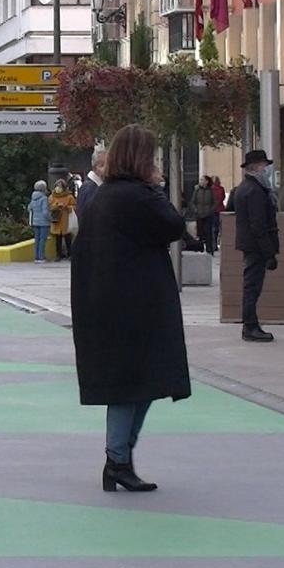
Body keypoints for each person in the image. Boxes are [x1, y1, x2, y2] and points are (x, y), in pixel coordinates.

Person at [71, 125, 189, 493]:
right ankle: (118, 460)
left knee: (135, 384)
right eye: (152, 157)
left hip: (110, 306)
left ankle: (119, 459)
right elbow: (173, 224)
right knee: (133, 385)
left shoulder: (105, 195)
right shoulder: (136, 196)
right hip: (135, 308)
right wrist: (155, 187)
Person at [233, 151, 279, 343]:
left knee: (251, 285)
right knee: (252, 286)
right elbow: (258, 224)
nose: (267, 169)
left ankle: (251, 324)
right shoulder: (254, 191)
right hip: (255, 246)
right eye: (264, 165)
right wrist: (269, 252)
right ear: (255, 167)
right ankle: (250, 325)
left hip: (250, 244)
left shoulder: (245, 188)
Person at [49, 179, 76, 261]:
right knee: (58, 239)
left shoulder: (69, 197)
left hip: (66, 220)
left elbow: (74, 206)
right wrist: (56, 206)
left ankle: (70, 254)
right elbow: (50, 206)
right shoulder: (52, 196)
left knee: (68, 238)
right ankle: (58, 255)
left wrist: (67, 207)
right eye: (57, 186)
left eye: (60, 187)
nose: (58, 188)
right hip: (57, 220)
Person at [76, 151, 107, 219]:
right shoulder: (90, 188)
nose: (107, 168)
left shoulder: (94, 187)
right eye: (102, 165)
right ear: (95, 168)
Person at [190, 176, 217, 254]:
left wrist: (210, 210)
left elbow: (215, 202)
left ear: (207, 181)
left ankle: (209, 250)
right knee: (200, 233)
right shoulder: (197, 190)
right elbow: (192, 202)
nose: (200, 181)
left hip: (208, 215)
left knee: (208, 233)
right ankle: (200, 249)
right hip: (199, 214)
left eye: (202, 180)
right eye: (200, 180)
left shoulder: (211, 190)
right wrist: (195, 210)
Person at [28, 180, 51, 263]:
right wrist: (50, 219)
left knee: (37, 239)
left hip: (35, 222)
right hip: (44, 222)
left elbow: (29, 208)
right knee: (42, 240)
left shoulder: (33, 198)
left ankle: (36, 257)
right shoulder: (44, 198)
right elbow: (45, 212)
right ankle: (41, 257)